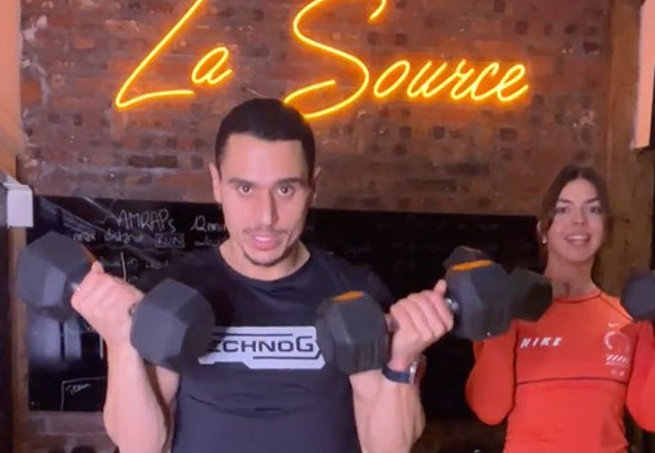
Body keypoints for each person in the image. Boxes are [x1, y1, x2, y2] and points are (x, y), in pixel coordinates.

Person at [70, 98, 453, 453]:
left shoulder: (354, 292)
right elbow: (142, 446)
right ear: (217, 184)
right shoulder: (176, 292)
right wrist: (121, 345)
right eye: (244, 188)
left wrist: (401, 361)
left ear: (312, 187)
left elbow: (385, 448)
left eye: (285, 189)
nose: (265, 216)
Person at [465, 164, 655, 453]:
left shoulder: (628, 317)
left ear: (605, 228)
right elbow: (489, 409)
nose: (579, 220)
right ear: (543, 229)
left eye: (593, 210)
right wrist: (504, 316)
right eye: (563, 209)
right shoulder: (509, 313)